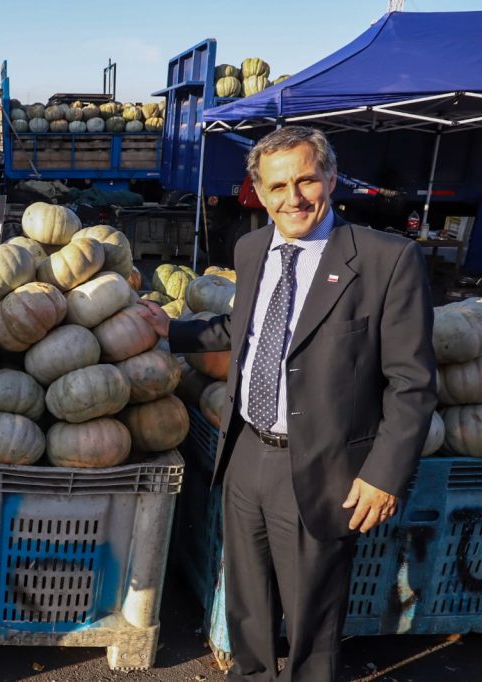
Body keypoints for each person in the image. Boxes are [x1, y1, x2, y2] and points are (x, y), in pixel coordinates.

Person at [138, 126, 436, 681]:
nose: (293, 198)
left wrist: (385, 476)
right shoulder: (252, 249)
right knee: (247, 602)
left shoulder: (385, 259)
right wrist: (174, 332)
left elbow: (412, 383)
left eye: (306, 180)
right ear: (258, 190)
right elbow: (245, 325)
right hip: (246, 451)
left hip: (322, 466)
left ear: (330, 177)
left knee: (311, 618)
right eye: (277, 186)